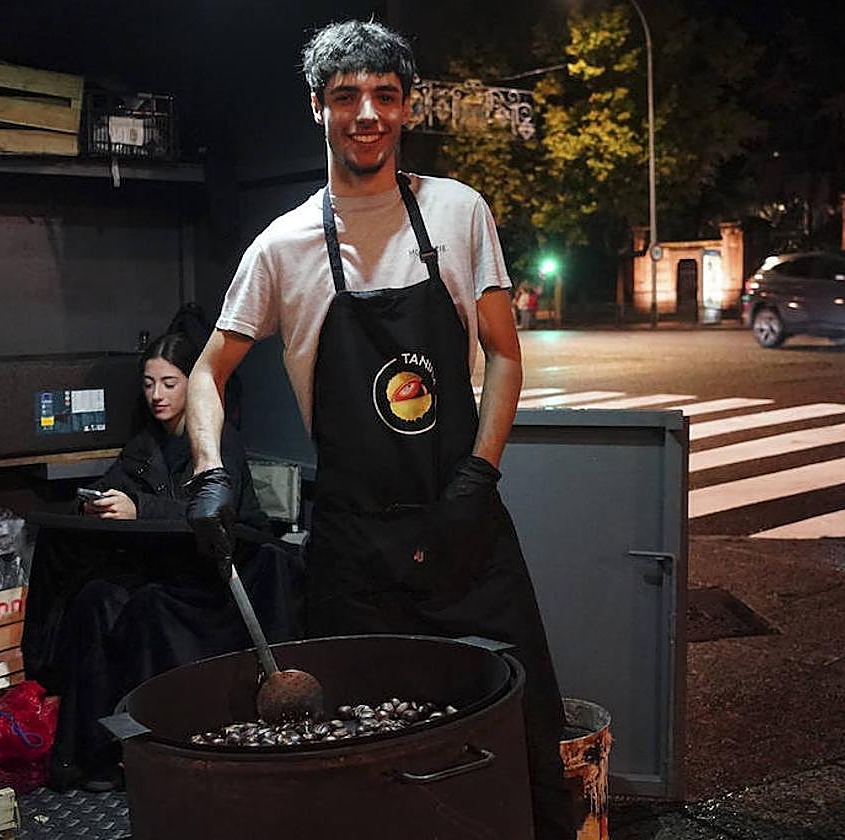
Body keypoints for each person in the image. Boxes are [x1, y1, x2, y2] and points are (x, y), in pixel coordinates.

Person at [183, 20, 574, 839]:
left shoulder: (458, 213)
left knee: (520, 724)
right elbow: (205, 376)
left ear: (406, 108)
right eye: (347, 97)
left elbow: (504, 355)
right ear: (316, 108)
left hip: (463, 524)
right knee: (363, 752)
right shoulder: (281, 247)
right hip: (354, 549)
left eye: (385, 96)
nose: (367, 113)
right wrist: (209, 473)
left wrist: (480, 477)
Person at [23, 333, 300, 791]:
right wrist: (97, 505)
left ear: (194, 383)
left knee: (147, 609)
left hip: (209, 580)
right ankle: (85, 751)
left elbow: (223, 514)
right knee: (93, 600)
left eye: (170, 384)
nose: (157, 395)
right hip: (158, 568)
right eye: (149, 383)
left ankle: (146, 752)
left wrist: (141, 509)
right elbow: (118, 485)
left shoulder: (217, 442)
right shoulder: (144, 444)